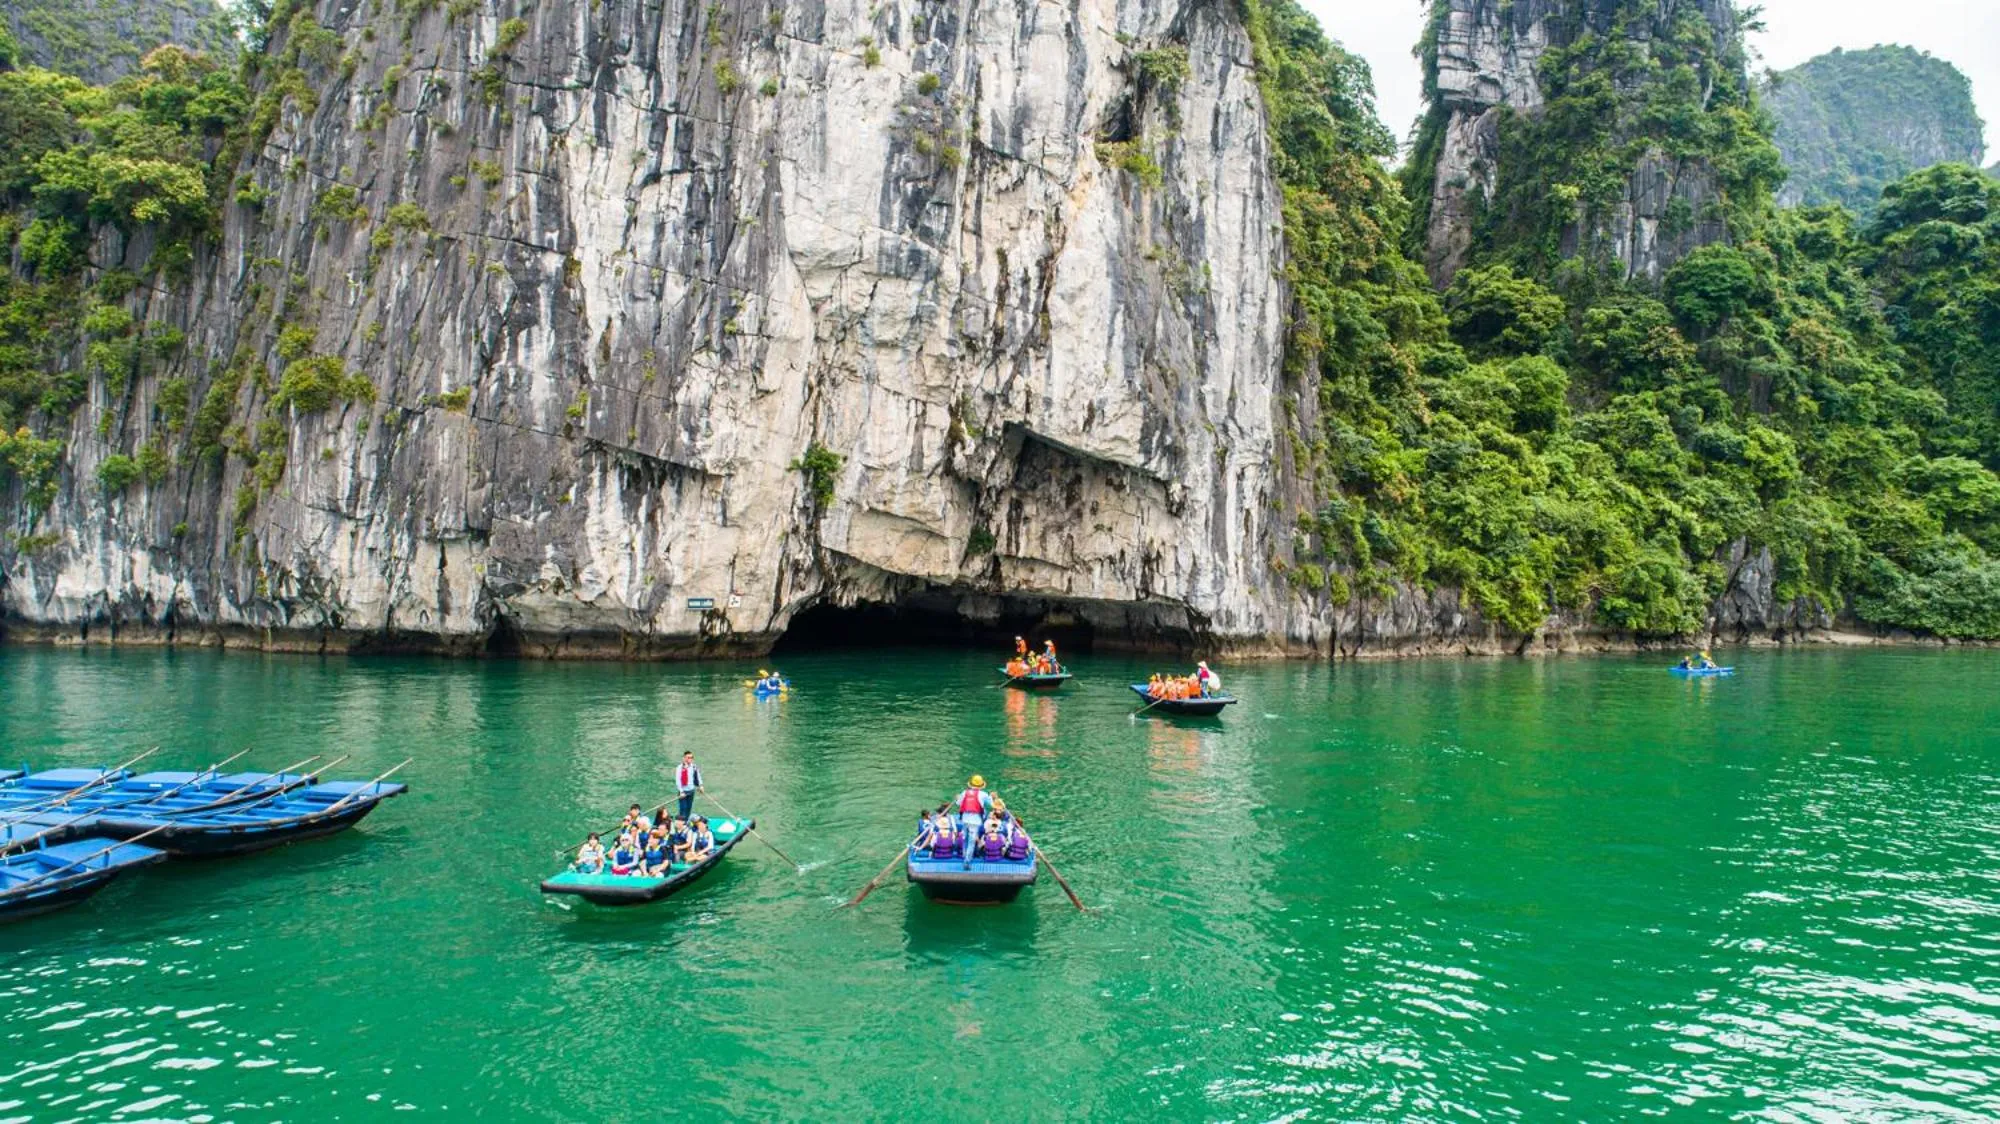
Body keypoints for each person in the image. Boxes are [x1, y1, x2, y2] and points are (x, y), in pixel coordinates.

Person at [955, 775, 992, 854]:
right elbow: (991, 805)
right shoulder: (984, 794)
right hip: (975, 821)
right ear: (981, 785)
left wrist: (958, 798)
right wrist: (991, 797)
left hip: (965, 819)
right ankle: (967, 861)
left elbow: (958, 803)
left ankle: (964, 856)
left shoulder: (964, 792)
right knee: (971, 842)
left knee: (965, 839)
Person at [675, 751, 703, 820]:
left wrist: (701, 785)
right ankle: (681, 823)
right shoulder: (679, 768)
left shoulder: (694, 766)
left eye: (691, 757)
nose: (690, 759)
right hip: (683, 792)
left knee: (688, 808)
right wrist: (681, 792)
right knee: (683, 809)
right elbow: (678, 781)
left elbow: (698, 776)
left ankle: (686, 822)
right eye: (688, 757)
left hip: (691, 791)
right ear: (684, 758)